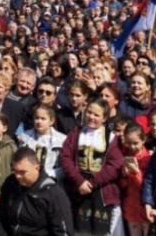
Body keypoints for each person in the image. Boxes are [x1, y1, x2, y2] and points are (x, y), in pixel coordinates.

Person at [60, 98, 124, 236]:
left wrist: (91, 183)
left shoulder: (111, 138)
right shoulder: (75, 134)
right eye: (89, 112)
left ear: (104, 118)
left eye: (96, 115)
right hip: (77, 187)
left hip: (101, 189)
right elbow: (65, 158)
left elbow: (115, 165)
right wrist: (79, 181)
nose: (91, 117)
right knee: (78, 230)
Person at [0, 147, 73, 236]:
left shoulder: (53, 193)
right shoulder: (10, 184)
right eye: (15, 171)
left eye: (22, 172)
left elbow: (63, 232)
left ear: (36, 168)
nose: (18, 176)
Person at [17, 104, 66, 181]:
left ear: (51, 121)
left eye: (43, 119)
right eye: (37, 118)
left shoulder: (62, 140)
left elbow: (64, 166)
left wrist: (49, 175)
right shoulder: (25, 136)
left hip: (52, 180)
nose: (39, 121)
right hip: (29, 179)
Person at [119, 123, 150, 236]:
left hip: (146, 208)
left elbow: (147, 186)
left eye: (135, 143)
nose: (132, 147)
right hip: (131, 206)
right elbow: (123, 186)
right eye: (129, 143)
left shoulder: (149, 159)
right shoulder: (125, 157)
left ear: (144, 140)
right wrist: (124, 176)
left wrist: (136, 172)